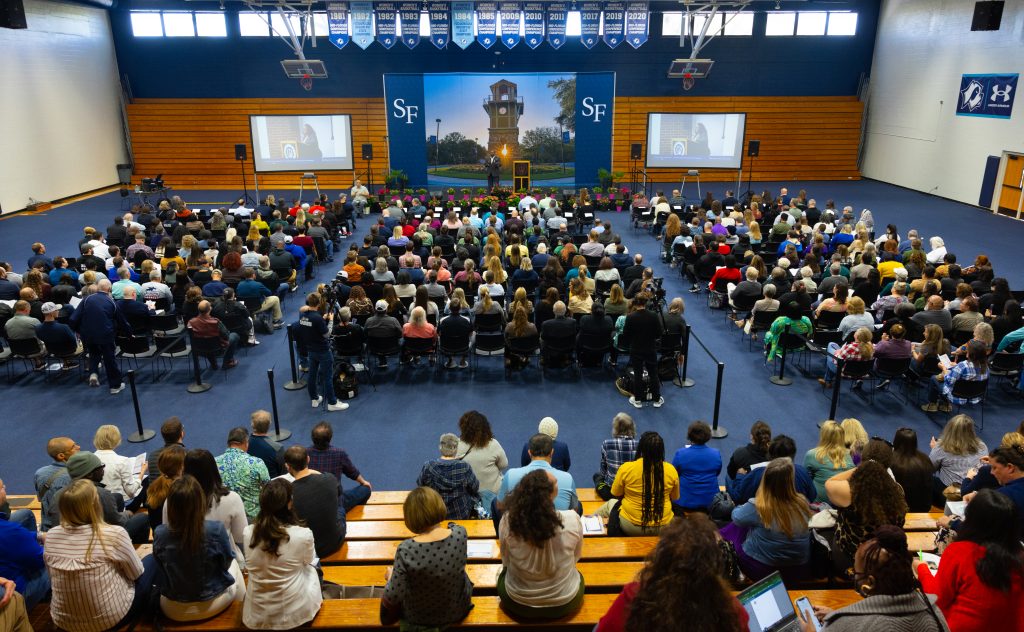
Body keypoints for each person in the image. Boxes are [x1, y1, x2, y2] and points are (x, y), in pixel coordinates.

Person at [596, 514, 749, 631]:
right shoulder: (733, 612)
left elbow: (604, 628)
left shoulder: (635, 596)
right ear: (715, 566)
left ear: (660, 558)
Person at [44, 479, 157, 632]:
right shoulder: (113, 534)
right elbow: (136, 574)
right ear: (95, 505)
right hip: (109, 620)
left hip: (64, 622)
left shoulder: (51, 535)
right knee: (152, 560)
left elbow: (52, 576)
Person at [798, 526, 949, 631]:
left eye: (854, 572)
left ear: (869, 583)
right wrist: (838, 615)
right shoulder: (935, 614)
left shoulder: (845, 626)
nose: (853, 575)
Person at [917, 489, 1024, 632]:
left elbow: (938, 598)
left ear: (972, 519)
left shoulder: (960, 551)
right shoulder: (1018, 555)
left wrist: (922, 569)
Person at [154, 476, 245, 621]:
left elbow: (160, 565)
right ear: (199, 501)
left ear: (170, 505)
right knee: (235, 561)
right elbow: (226, 562)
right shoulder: (215, 530)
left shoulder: (159, 533)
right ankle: (241, 614)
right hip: (213, 603)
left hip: (173, 608)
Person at [380, 487, 473, 628]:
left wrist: (390, 576)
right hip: (457, 610)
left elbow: (393, 595)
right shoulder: (460, 534)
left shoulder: (407, 550)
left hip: (418, 617)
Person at [497, 469, 584, 619]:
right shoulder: (572, 519)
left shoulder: (507, 520)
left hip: (517, 601)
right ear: (552, 493)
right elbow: (576, 558)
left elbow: (505, 559)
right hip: (564, 601)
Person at [242, 479, 322, 630]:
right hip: (296, 614)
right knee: (313, 567)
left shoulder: (248, 532)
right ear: (289, 503)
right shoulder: (303, 534)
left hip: (256, 615)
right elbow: (309, 561)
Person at [722, 458, 813, 581]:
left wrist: (742, 506)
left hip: (763, 570)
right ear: (790, 480)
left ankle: (717, 539)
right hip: (799, 569)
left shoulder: (759, 506)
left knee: (738, 526)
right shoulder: (803, 502)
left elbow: (736, 517)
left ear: (765, 479)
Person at [826, 459, 908, 573]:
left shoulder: (851, 498)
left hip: (850, 556)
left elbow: (830, 482)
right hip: (887, 555)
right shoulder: (898, 491)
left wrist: (860, 468)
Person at [601, 431, 680, 535]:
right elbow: (674, 497)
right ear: (661, 450)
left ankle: (586, 525)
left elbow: (616, 493)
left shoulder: (626, 468)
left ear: (641, 448)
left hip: (630, 525)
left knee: (609, 504)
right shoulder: (671, 470)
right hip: (664, 526)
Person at [283, 446, 346, 559]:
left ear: (287, 466)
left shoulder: (287, 495)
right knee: (341, 507)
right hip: (336, 542)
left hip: (309, 550)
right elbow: (339, 492)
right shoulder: (329, 478)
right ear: (308, 459)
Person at [69, 278, 130, 393]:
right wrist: (129, 335)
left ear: (98, 287)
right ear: (109, 289)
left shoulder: (86, 299)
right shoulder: (111, 302)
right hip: (106, 335)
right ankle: (115, 386)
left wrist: (80, 331)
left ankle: (93, 373)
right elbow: (122, 322)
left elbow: (73, 319)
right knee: (109, 360)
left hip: (88, 335)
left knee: (93, 354)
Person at [497, 434, 578, 514]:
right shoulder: (568, 478)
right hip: (557, 525)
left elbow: (500, 506)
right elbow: (574, 509)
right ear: (552, 452)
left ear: (529, 453)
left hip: (520, 525)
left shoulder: (510, 474)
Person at [731, 434, 818, 505]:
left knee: (729, 478)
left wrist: (740, 476)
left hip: (763, 520)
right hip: (794, 520)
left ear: (770, 454)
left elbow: (739, 497)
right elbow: (812, 496)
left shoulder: (759, 473)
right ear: (793, 454)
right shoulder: (802, 472)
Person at [297, 292, 348, 412]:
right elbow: (327, 335)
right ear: (319, 303)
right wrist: (330, 320)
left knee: (312, 375)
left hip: (311, 350)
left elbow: (311, 325)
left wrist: (322, 319)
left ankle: (314, 398)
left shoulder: (303, 316)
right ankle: (332, 402)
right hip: (323, 351)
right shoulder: (317, 319)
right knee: (328, 377)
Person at [307, 421, 373, 511]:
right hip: (335, 502)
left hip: (312, 502)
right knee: (366, 490)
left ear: (312, 438)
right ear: (330, 438)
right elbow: (352, 472)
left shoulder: (305, 454)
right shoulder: (339, 453)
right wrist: (363, 482)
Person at [417, 433, 481, 520]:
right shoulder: (464, 467)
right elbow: (475, 487)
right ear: (455, 449)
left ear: (440, 447)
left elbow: (421, 486)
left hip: (435, 513)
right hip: (461, 514)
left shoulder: (428, 466)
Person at [929, 414, 988, 506]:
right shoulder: (982, 446)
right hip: (974, 495)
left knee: (928, 478)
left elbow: (930, 468)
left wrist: (934, 449)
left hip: (949, 495)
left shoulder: (941, 447)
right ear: (971, 430)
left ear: (950, 429)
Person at [455, 411, 507, 511]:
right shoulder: (493, 444)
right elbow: (504, 465)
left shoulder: (456, 444)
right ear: (485, 427)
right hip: (492, 496)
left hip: (466, 498)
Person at [215, 427, 271, 521]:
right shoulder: (256, 463)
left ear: (228, 444)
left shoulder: (214, 462)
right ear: (246, 442)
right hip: (255, 520)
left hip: (227, 518)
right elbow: (269, 489)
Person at [620, 292, 664, 408]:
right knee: (653, 373)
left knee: (638, 374)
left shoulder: (630, 317)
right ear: (646, 302)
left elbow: (626, 334)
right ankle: (657, 399)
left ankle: (638, 400)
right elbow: (659, 333)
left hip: (636, 349)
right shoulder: (654, 315)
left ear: (636, 302)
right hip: (650, 348)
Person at [922, 339, 990, 414]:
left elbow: (948, 380)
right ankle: (945, 405)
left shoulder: (963, 365)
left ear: (970, 353)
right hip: (974, 397)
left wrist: (944, 369)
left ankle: (932, 405)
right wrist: (956, 366)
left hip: (957, 397)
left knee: (934, 378)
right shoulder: (986, 367)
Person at [671, 421, 722, 512]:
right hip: (710, 502)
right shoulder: (716, 454)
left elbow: (674, 474)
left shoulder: (681, 453)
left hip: (684, 502)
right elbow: (717, 472)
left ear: (690, 436)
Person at [92, 424, 145, 512]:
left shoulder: (90, 458)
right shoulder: (122, 461)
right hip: (120, 504)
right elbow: (131, 492)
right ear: (116, 440)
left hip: (97, 504)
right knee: (145, 481)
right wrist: (141, 474)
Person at [34, 437, 78, 532]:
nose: (78, 447)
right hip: (70, 530)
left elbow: (40, 499)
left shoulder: (39, 473)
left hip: (47, 528)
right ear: (61, 456)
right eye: (73, 447)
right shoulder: (75, 475)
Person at [804, 420, 854, 503]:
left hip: (818, 504)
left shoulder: (812, 454)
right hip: (841, 503)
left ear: (823, 436)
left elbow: (805, 478)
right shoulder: (851, 455)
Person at [593, 413, 638, 501]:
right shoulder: (640, 445)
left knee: (597, 476)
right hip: (633, 491)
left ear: (615, 429)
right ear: (632, 427)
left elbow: (603, 471)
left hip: (612, 492)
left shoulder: (607, 444)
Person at [890, 428, 936, 512]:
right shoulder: (925, 459)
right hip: (923, 507)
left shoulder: (891, 461)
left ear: (896, 441)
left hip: (898, 509)